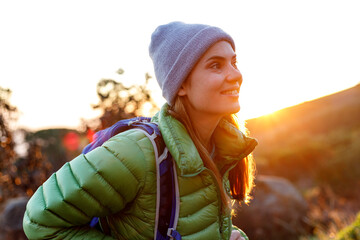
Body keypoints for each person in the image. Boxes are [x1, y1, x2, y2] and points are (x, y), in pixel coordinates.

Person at [23, 21, 257, 240]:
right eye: (216, 65)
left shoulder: (220, 146)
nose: (235, 75)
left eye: (233, 63)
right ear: (181, 85)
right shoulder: (136, 152)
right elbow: (39, 220)